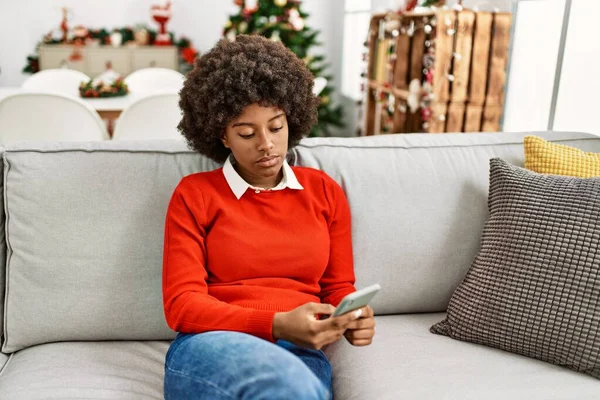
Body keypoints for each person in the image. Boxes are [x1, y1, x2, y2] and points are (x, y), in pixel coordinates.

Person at [162, 34, 375, 400]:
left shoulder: (324, 191)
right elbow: (182, 305)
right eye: (247, 133)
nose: (267, 144)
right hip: (211, 343)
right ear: (222, 136)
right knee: (279, 385)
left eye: (276, 127)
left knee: (293, 387)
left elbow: (338, 286)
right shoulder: (194, 194)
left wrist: (353, 316)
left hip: (301, 350)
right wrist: (275, 325)